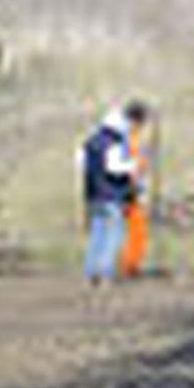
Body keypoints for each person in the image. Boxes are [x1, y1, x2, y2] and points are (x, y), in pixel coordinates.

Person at [80, 108, 136, 284]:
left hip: (93, 195)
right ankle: (105, 272)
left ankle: (90, 271)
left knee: (96, 234)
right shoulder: (114, 144)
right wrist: (131, 166)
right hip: (111, 196)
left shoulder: (88, 144)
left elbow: (82, 167)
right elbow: (113, 168)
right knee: (114, 235)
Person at [117, 101, 153, 278]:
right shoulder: (128, 138)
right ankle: (128, 266)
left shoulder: (130, 136)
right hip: (129, 189)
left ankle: (130, 264)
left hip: (131, 187)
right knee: (135, 229)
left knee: (135, 229)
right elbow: (130, 165)